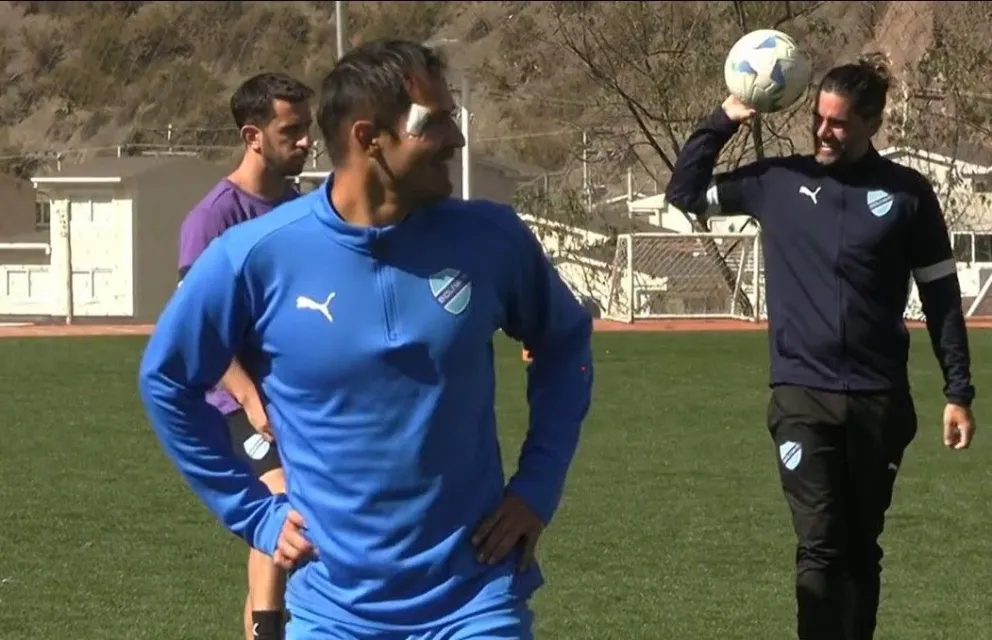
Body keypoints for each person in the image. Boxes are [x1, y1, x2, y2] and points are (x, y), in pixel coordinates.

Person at [139, 38, 594, 640]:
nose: (456, 141)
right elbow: (167, 381)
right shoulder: (255, 256)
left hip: (474, 597)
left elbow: (564, 346)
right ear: (367, 138)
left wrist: (537, 486)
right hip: (334, 609)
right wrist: (254, 516)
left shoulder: (491, 239)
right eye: (433, 124)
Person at [665, 54, 977, 640]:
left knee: (861, 548)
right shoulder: (775, 182)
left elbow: (941, 298)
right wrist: (725, 116)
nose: (822, 131)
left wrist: (958, 390)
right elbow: (683, 193)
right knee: (821, 545)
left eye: (837, 123)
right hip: (801, 398)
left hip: (879, 401)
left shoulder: (907, 195)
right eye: (817, 118)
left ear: (871, 124)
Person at [176, 71, 314, 640]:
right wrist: (251, 399)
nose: (306, 140)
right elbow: (199, 329)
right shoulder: (213, 217)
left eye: (308, 128)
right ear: (253, 136)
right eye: (292, 130)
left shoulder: (304, 209)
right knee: (281, 511)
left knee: (317, 527)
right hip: (238, 401)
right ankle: (266, 630)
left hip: (296, 397)